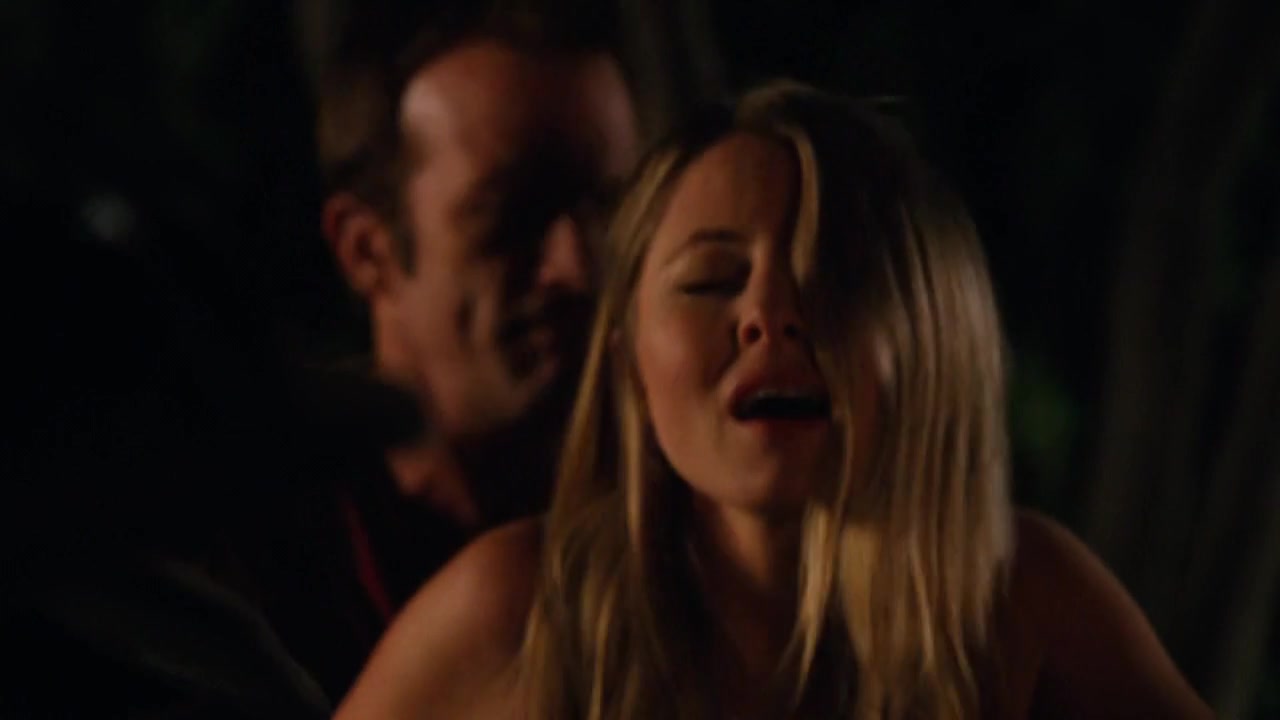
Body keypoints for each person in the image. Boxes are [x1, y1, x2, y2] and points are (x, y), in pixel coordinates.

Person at [334, 81, 1216, 719]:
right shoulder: (518, 613)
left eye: (830, 274)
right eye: (711, 280)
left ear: (933, 334)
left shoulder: (1021, 599)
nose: (768, 314)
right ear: (629, 361)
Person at [234, 0, 640, 700]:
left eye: (606, 206)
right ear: (367, 250)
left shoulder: (690, 516)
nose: (577, 267)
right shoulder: (255, 562)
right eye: (513, 214)